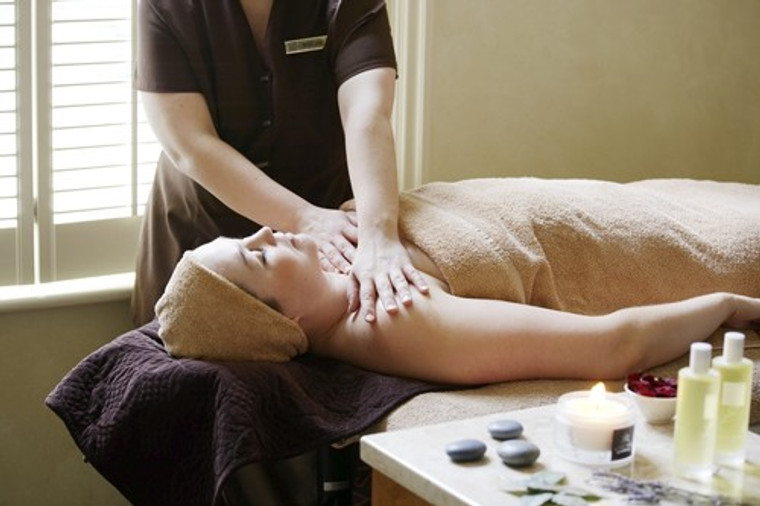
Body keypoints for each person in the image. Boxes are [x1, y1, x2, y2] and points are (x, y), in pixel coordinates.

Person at [155, 177, 760, 384]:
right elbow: (611, 347)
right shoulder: (391, 318)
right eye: (257, 257)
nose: (268, 232)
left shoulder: (331, 262)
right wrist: (725, 305)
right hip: (656, 246)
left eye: (248, 236)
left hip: (606, 201)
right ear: (282, 321)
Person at [131, 0, 428, 326]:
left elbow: (366, 112)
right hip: (205, 236)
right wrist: (305, 220)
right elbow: (190, 145)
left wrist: (378, 235)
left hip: (321, 247)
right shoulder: (167, 6)